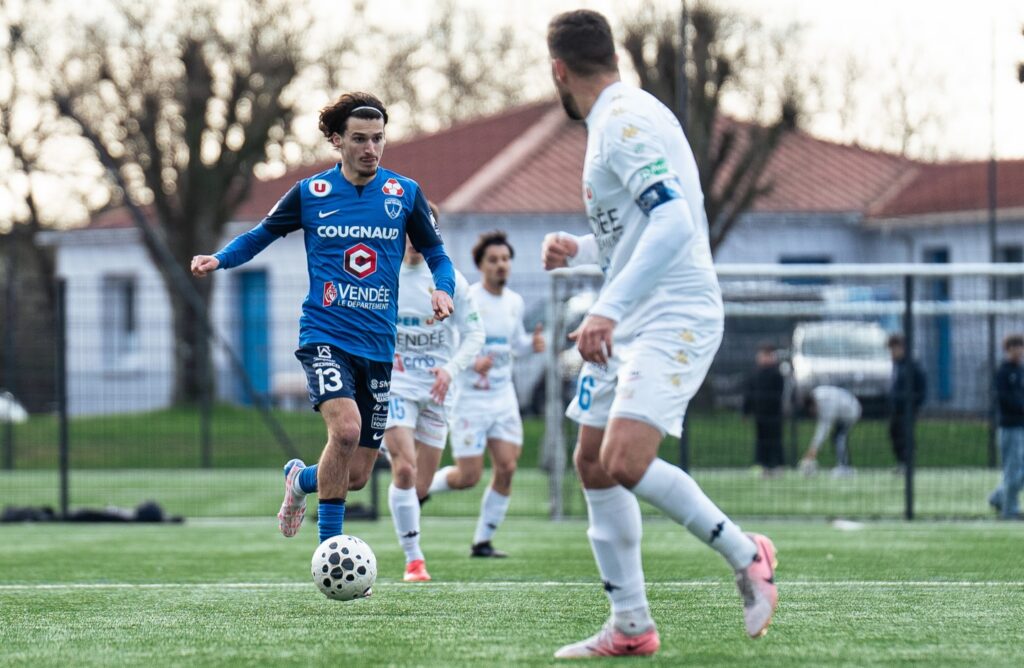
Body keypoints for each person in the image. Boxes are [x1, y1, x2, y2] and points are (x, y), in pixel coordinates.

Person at [540, 10, 777, 658]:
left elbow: (673, 222)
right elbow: (645, 226)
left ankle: (745, 553)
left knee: (625, 461)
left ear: (557, 69)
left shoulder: (621, 123)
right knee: (592, 464)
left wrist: (606, 308)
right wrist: (585, 249)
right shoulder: (631, 114)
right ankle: (631, 625)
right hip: (635, 311)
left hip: (674, 312)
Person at [191, 92, 456, 546]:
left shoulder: (404, 193)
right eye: (359, 139)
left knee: (352, 475)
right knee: (346, 430)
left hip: (377, 345)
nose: (371, 149)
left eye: (378, 139)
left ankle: (300, 480)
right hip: (325, 335)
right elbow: (260, 236)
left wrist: (443, 289)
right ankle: (331, 553)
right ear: (336, 140)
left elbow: (436, 253)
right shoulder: (311, 193)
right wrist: (220, 259)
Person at [426, 230, 545, 558]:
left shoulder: (514, 302)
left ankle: (482, 542)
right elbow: (449, 338)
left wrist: (530, 346)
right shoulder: (469, 298)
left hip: (503, 398)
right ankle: (422, 489)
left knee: (507, 467)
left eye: (505, 259)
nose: (501, 265)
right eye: (493, 260)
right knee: (468, 477)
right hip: (471, 402)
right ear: (481, 265)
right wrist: (470, 361)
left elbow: (514, 344)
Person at [384, 203, 485, 581]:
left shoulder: (450, 280)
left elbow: (475, 334)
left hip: (438, 391)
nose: (413, 238)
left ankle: (314, 476)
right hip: (395, 386)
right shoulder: (384, 275)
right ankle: (414, 560)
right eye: (408, 228)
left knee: (420, 485)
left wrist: (450, 368)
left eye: (422, 229)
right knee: (405, 469)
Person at [987, 334, 1024, 519]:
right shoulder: (1003, 372)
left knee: (1020, 471)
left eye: (1021, 347)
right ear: (1008, 349)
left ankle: (998, 496)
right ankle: (1010, 510)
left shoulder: (1021, 371)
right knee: (1013, 469)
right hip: (1010, 427)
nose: (1019, 351)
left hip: (1022, 426)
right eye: (1015, 347)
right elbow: (1004, 399)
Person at [798, 385, 861, 478]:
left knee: (839, 438)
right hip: (844, 410)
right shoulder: (816, 396)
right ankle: (843, 465)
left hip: (850, 412)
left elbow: (823, 430)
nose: (813, 414)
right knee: (836, 438)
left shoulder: (826, 404)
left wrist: (812, 450)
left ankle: (845, 468)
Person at [742, 344, 786, 476]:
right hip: (760, 415)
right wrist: (746, 411)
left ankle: (777, 465)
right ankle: (764, 465)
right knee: (762, 441)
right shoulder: (754, 374)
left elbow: (780, 394)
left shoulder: (776, 374)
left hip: (774, 414)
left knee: (775, 440)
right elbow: (748, 394)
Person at [887, 333, 926, 471]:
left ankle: (908, 464)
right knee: (894, 433)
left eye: (894, 349)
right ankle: (901, 463)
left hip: (908, 408)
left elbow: (922, 386)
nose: (892, 352)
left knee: (906, 435)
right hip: (896, 408)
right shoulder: (897, 365)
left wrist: (915, 403)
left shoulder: (912, 365)